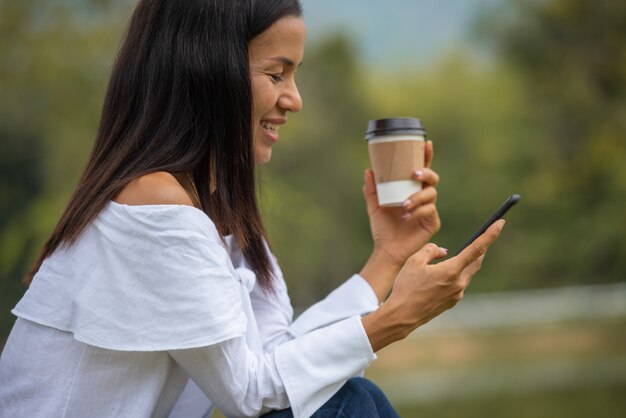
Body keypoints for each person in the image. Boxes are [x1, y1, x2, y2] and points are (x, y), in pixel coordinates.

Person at [0, 1, 505, 417]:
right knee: (347, 403)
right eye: (277, 74)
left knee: (347, 398)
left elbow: (275, 357)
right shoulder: (155, 205)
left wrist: (388, 257)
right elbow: (248, 393)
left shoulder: (218, 213)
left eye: (294, 75)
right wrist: (396, 318)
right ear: (208, 70)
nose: (294, 99)